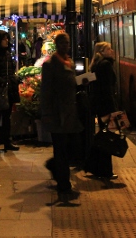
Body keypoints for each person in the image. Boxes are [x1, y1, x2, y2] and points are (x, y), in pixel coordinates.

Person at [40, 33, 83, 201]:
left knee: (72, 148)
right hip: (58, 114)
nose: (66, 46)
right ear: (57, 45)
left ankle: (53, 166)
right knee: (62, 151)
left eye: (67, 43)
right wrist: (48, 115)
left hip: (71, 113)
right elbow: (46, 92)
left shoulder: (69, 61)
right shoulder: (51, 64)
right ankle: (64, 186)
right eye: (63, 43)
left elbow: (70, 83)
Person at [85, 42, 118, 180]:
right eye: (109, 49)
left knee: (102, 136)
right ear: (103, 52)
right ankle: (104, 170)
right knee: (106, 139)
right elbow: (107, 89)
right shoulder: (106, 65)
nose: (112, 50)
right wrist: (113, 110)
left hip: (99, 105)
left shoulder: (97, 64)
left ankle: (96, 167)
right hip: (106, 107)